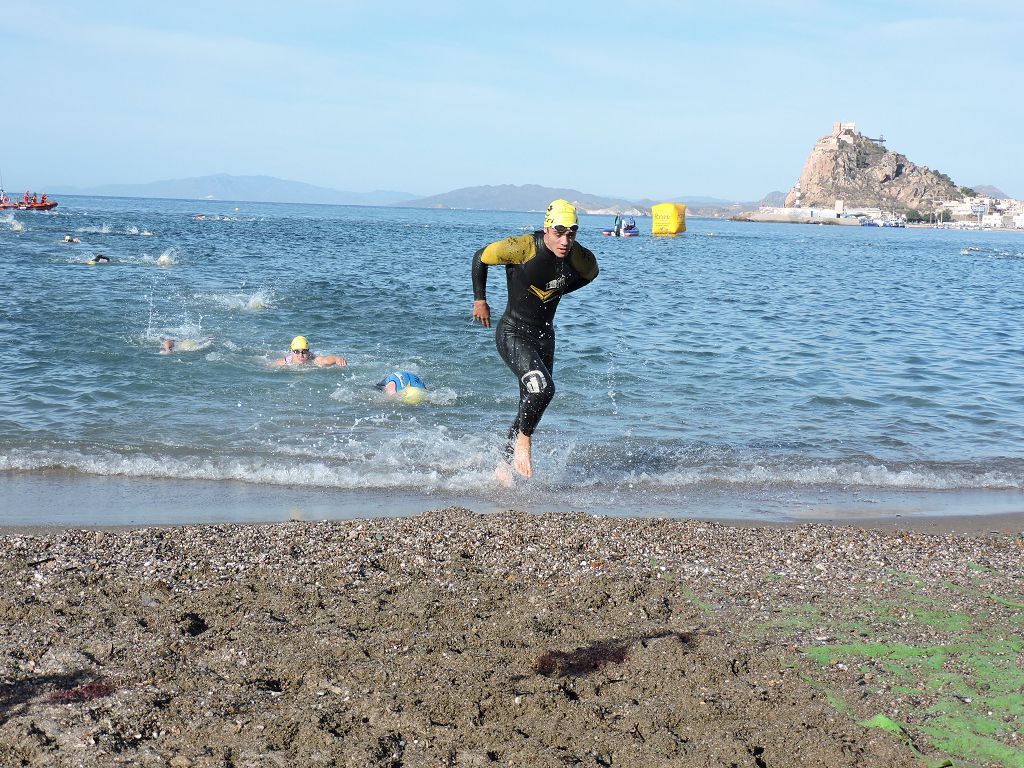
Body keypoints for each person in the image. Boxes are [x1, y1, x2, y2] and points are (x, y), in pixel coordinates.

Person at [471, 199, 599, 483]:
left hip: (544, 337)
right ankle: (523, 443)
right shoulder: (523, 247)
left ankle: (502, 464)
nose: (565, 240)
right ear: (547, 228)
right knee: (543, 391)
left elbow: (592, 273)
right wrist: (480, 299)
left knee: (529, 402)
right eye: (559, 231)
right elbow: (481, 256)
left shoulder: (577, 255)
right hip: (513, 332)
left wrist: (561, 288)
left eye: (572, 232)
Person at [275, 335, 346, 367]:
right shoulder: (285, 362)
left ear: (308, 352)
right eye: (297, 352)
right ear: (291, 352)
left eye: (304, 351)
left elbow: (325, 360)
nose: (301, 355)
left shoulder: (312, 359)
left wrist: (336, 359)